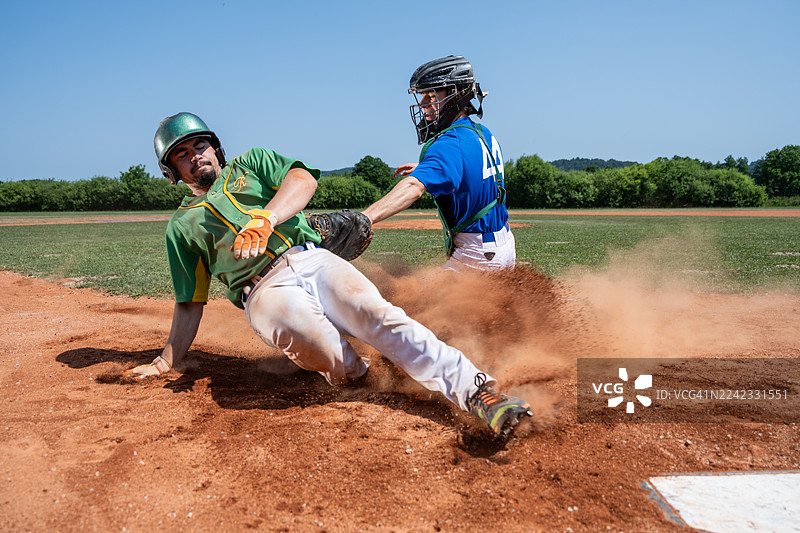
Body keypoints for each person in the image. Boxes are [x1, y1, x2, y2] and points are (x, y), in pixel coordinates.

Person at [128, 112, 531, 438]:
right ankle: (362, 373)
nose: (196, 155)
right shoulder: (181, 227)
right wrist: (166, 362)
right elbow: (189, 302)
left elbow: (302, 180)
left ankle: (479, 392)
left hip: (311, 257)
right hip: (263, 291)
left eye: (200, 145)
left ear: (216, 149)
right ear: (172, 171)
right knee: (313, 341)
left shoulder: (250, 164)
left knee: (377, 314)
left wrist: (268, 217)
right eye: (182, 153)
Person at [362, 55, 515, 272]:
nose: (423, 104)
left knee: (410, 300)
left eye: (430, 95)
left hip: (477, 255)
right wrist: (425, 169)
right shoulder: (481, 133)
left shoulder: (450, 142)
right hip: (503, 243)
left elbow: (414, 187)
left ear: (455, 96)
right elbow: (471, 174)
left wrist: (366, 217)